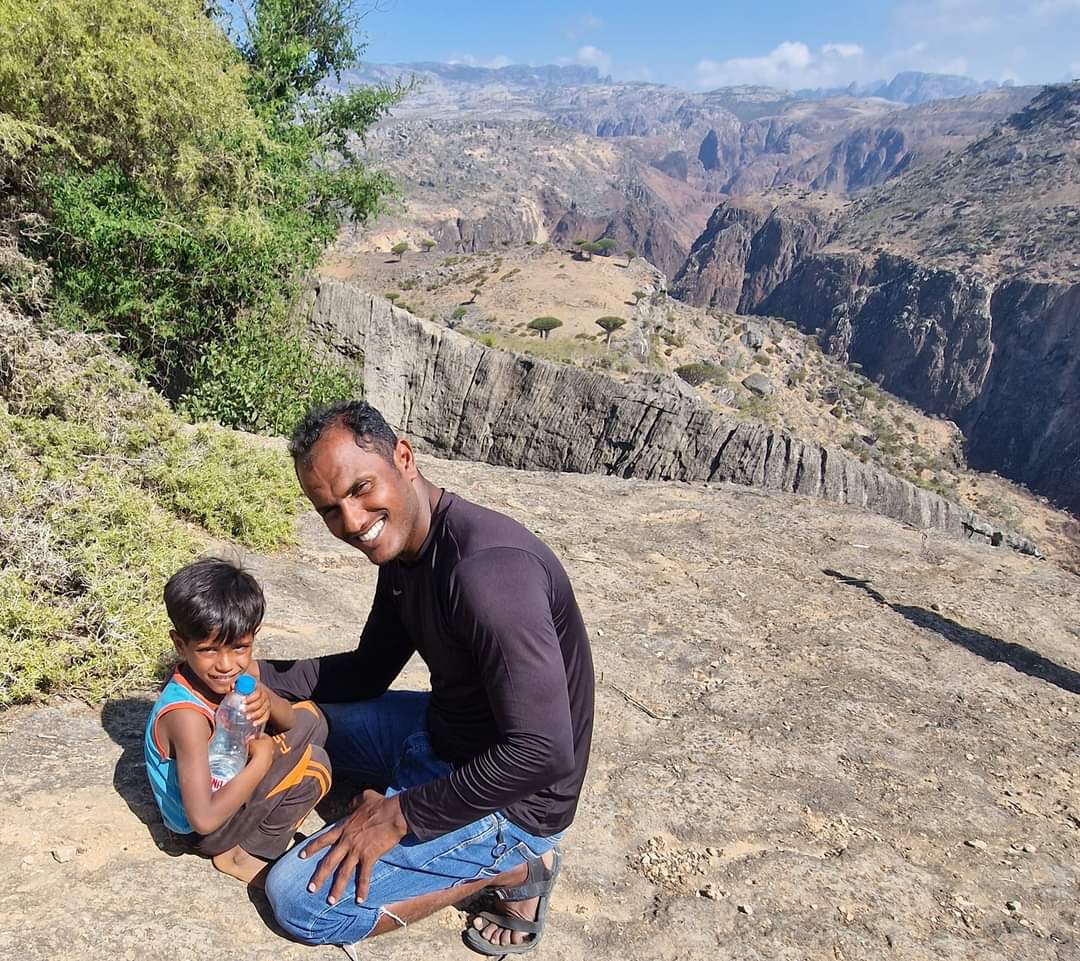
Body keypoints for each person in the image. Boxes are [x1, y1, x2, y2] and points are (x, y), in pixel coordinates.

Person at [260, 400, 595, 955]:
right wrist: (256, 676)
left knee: (298, 899)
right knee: (294, 721)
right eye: (329, 509)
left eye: (360, 488)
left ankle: (512, 871)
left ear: (404, 457)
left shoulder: (487, 572)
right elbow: (369, 669)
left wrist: (399, 814)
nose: (352, 521)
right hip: (444, 730)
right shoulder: (405, 553)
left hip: (514, 801)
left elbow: (544, 750)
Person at [143, 558, 332, 885]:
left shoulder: (235, 671)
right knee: (316, 763)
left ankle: (258, 814)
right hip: (208, 827)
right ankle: (244, 853)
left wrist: (265, 698)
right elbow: (202, 819)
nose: (227, 664)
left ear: (252, 637)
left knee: (313, 719)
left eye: (240, 647)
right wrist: (261, 762)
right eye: (209, 650)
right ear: (180, 645)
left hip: (225, 772)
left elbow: (287, 720)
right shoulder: (187, 717)